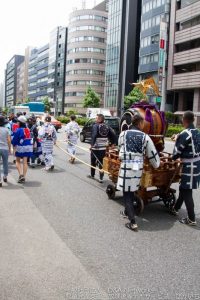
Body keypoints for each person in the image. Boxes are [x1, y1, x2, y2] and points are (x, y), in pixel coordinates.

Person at [117, 114, 160, 232]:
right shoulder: (145, 137)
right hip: (137, 168)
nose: (144, 125)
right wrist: (157, 164)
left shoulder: (123, 134)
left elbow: (119, 148)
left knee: (127, 193)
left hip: (126, 166)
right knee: (131, 191)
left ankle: (133, 222)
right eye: (143, 123)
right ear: (140, 123)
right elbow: (152, 153)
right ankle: (127, 212)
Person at [170, 111, 200, 226]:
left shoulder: (185, 133)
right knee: (184, 188)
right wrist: (178, 137)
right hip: (196, 163)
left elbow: (176, 153)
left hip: (189, 166)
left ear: (185, 120)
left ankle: (191, 219)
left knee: (187, 191)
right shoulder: (196, 132)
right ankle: (175, 208)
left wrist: (176, 140)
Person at [89, 114, 116, 183]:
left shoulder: (96, 126)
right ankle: (101, 178)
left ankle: (92, 175)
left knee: (93, 162)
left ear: (100, 119)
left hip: (96, 148)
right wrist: (113, 143)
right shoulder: (107, 126)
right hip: (103, 148)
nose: (95, 119)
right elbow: (113, 134)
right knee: (101, 163)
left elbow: (94, 135)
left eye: (96, 118)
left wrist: (92, 145)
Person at [12, 115, 33, 183]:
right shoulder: (27, 129)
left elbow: (15, 140)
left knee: (17, 161)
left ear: (20, 122)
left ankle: (21, 175)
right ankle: (23, 176)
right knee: (25, 162)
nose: (17, 123)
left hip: (21, 147)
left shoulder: (18, 130)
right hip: (28, 147)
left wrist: (13, 145)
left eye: (18, 121)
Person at [0, 116, 11, 187]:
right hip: (5, 148)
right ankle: (5, 176)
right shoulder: (7, 129)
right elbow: (9, 140)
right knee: (5, 163)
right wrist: (10, 148)